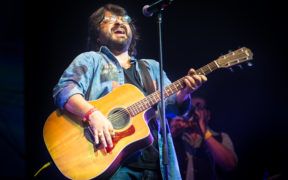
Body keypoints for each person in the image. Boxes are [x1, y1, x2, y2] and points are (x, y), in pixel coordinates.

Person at [52, 3, 207, 179]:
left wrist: (184, 92)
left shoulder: (153, 67)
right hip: (113, 167)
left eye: (125, 20)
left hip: (159, 167)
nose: (119, 23)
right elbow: (64, 90)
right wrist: (93, 114)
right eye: (109, 20)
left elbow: (171, 107)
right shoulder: (90, 60)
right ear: (97, 36)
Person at [169, 96, 238, 180]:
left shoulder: (221, 137)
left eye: (199, 107)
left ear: (208, 114)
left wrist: (204, 131)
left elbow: (230, 165)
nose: (194, 111)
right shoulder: (177, 135)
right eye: (190, 108)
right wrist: (172, 130)